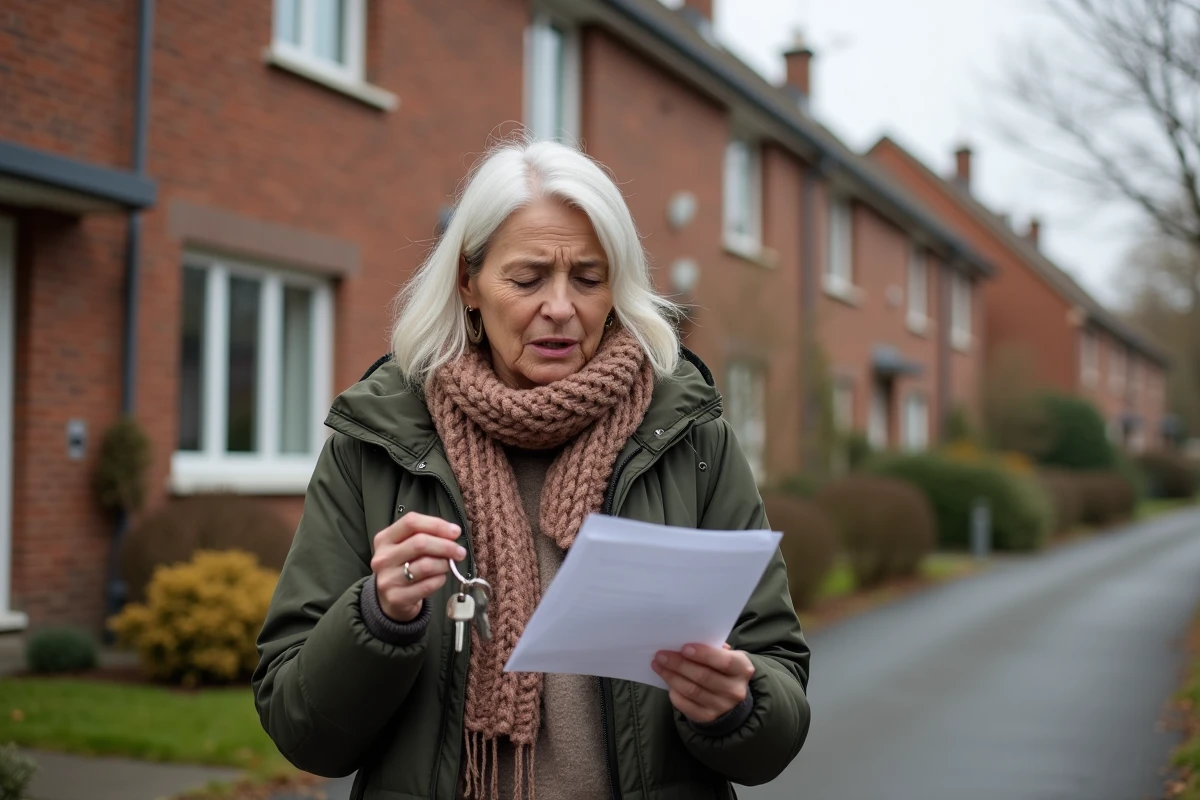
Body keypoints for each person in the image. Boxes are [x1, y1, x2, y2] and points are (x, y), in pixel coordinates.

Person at [253, 139, 811, 800]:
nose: (560, 307)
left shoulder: (689, 436)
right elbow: (302, 729)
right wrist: (377, 617)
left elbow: (778, 695)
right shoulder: (376, 441)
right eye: (528, 278)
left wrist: (738, 706)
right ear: (469, 282)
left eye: (587, 277)